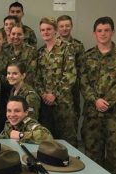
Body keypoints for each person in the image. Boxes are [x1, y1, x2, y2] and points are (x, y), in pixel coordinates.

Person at [81, 17, 116, 174]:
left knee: (115, 152)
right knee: (92, 150)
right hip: (92, 112)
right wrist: (96, 100)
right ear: (94, 33)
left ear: (113, 32)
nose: (103, 33)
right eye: (100, 30)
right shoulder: (88, 56)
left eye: (107, 30)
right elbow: (83, 81)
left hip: (115, 114)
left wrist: (106, 101)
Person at [36, 17, 78, 147]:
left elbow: (70, 74)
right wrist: (44, 94)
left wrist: (54, 94)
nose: (46, 32)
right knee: (47, 142)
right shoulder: (41, 52)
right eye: (43, 30)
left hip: (62, 103)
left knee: (67, 142)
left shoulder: (67, 48)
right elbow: (37, 77)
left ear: (55, 30)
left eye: (49, 29)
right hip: (45, 105)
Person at [57, 15, 85, 130]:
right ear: (57, 28)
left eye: (67, 25)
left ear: (71, 26)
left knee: (71, 122)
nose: (64, 28)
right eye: (61, 26)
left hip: (72, 90)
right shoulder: (52, 44)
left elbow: (82, 69)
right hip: (53, 91)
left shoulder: (78, 45)